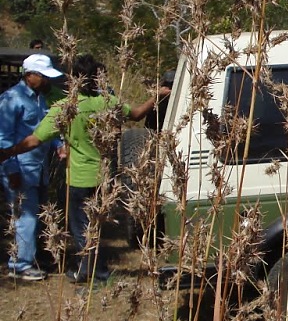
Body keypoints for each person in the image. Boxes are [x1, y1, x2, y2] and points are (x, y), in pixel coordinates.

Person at [0, 54, 170, 284]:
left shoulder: (66, 107)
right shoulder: (107, 102)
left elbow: (35, 140)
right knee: (96, 223)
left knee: (81, 226)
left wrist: (8, 153)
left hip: (78, 178)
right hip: (102, 176)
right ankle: (82, 267)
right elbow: (138, 113)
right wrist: (156, 96)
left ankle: (94, 272)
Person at [0, 54, 64, 280]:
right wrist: (11, 170)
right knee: (24, 216)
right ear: (30, 75)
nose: (47, 81)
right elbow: (3, 139)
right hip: (21, 168)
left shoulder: (41, 99)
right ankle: (19, 264)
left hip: (40, 167)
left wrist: (58, 144)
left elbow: (45, 128)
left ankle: (35, 256)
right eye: (43, 76)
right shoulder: (11, 100)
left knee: (37, 213)